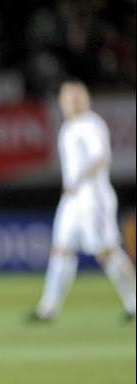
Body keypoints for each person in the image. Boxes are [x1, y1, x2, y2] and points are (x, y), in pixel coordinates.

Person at [30, 81, 136, 322]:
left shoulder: (91, 124)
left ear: (81, 99)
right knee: (60, 250)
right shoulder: (68, 127)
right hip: (72, 200)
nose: (66, 102)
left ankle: (134, 303)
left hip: (93, 198)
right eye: (64, 98)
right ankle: (48, 309)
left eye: (71, 98)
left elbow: (101, 159)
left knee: (106, 252)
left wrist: (78, 181)